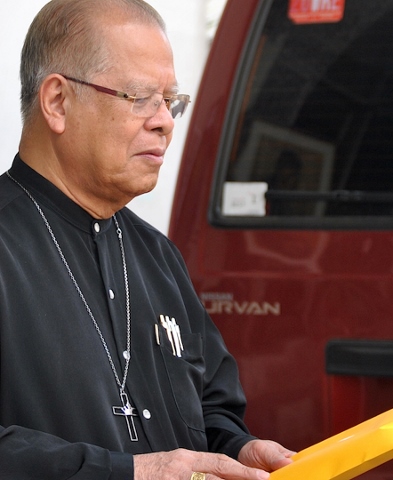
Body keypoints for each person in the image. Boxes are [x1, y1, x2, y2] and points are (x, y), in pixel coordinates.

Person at [0, 0, 294, 478]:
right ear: (57, 101)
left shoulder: (159, 256)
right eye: (140, 98)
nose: (166, 121)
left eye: (171, 101)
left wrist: (237, 449)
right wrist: (126, 472)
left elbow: (211, 406)